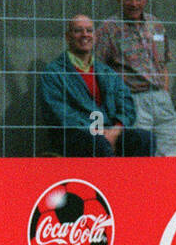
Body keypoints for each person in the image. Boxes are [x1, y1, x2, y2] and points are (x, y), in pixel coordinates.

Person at [40, 14, 153, 157]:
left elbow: (127, 105)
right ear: (68, 37)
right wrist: (97, 131)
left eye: (89, 30)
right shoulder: (54, 72)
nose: (85, 35)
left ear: (95, 36)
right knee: (98, 143)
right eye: (78, 31)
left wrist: (115, 131)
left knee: (144, 139)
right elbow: (58, 113)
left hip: (108, 132)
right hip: (75, 135)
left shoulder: (106, 72)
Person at [94, 0, 176, 156]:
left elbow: (163, 63)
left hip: (160, 98)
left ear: (145, 1)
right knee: (142, 150)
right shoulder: (108, 28)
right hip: (133, 98)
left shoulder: (155, 24)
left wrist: (164, 91)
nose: (134, 3)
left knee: (171, 150)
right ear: (119, 0)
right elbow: (99, 68)